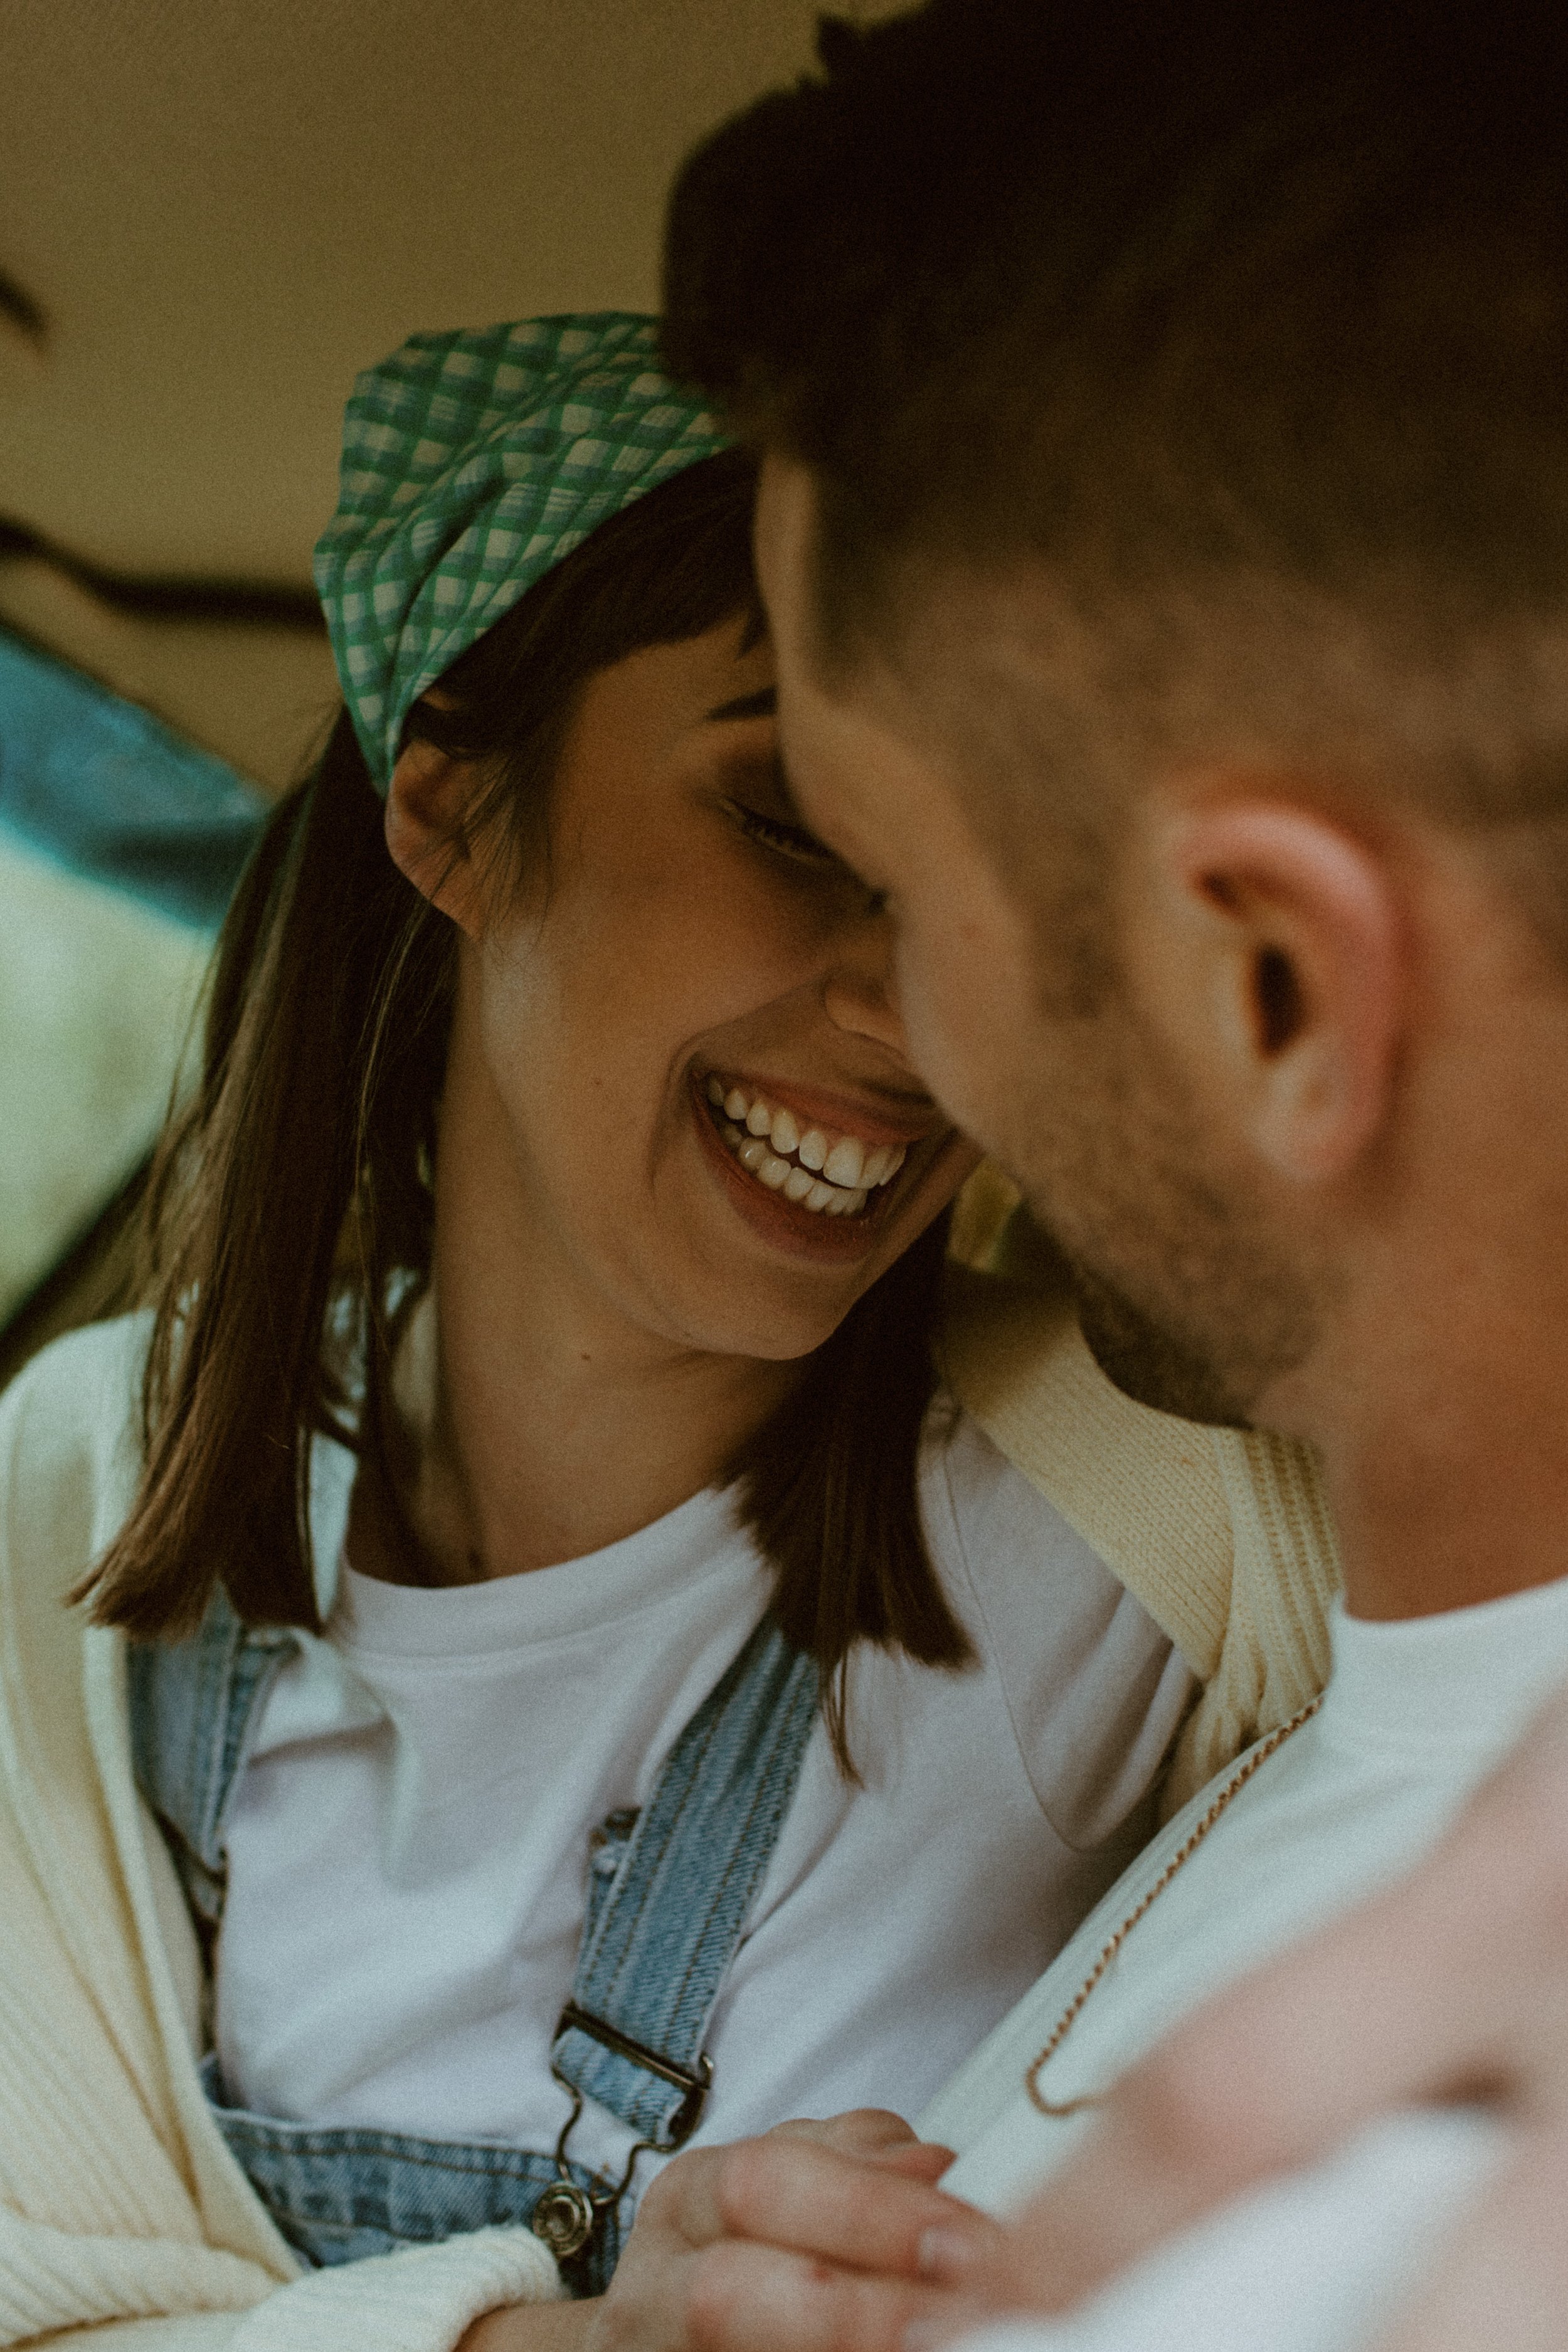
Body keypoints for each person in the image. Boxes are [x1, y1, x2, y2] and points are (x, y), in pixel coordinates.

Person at [0, 308, 1276, 2352]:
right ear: (450, 814)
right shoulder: (67, 1494)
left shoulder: (1174, 1500)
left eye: (988, 887)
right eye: (793, 823)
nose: (914, 1004)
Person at [582, 3, 1568, 2347]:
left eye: (894, 882)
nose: (909, 1031)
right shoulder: (1420, 1795)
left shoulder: (1411, 2188)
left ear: (1274, 995)